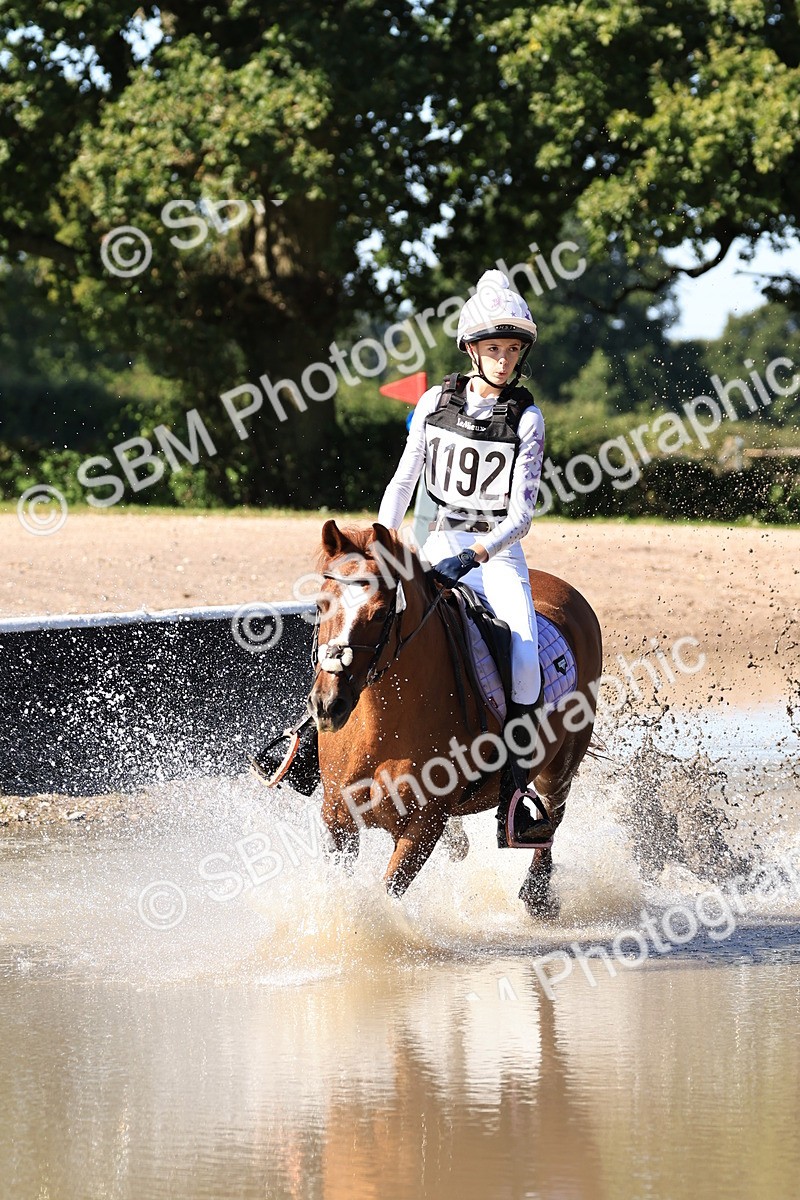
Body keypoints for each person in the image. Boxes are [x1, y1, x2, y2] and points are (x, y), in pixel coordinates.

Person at [377, 269, 547, 848]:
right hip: (434, 534)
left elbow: (520, 515)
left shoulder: (527, 418)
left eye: (512, 349)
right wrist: (384, 537)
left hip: (494, 551)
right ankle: (307, 738)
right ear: (473, 350)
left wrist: (474, 555)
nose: (503, 360)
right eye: (493, 349)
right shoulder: (433, 402)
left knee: (524, 658)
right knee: (363, 616)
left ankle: (515, 796)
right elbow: (403, 482)